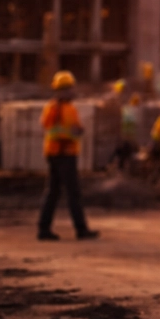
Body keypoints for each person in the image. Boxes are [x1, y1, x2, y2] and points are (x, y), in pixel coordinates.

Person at [37, 71, 98, 241]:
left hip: (55, 153)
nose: (73, 92)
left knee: (53, 192)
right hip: (65, 154)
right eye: (70, 89)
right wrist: (77, 132)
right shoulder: (63, 109)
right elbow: (67, 130)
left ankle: (43, 228)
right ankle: (81, 229)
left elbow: (53, 127)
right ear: (62, 90)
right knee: (73, 193)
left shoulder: (55, 108)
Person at [112, 93, 142, 174]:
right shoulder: (132, 110)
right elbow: (132, 123)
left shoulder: (126, 108)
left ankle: (121, 167)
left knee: (124, 152)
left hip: (124, 135)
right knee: (127, 152)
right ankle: (122, 169)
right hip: (127, 136)